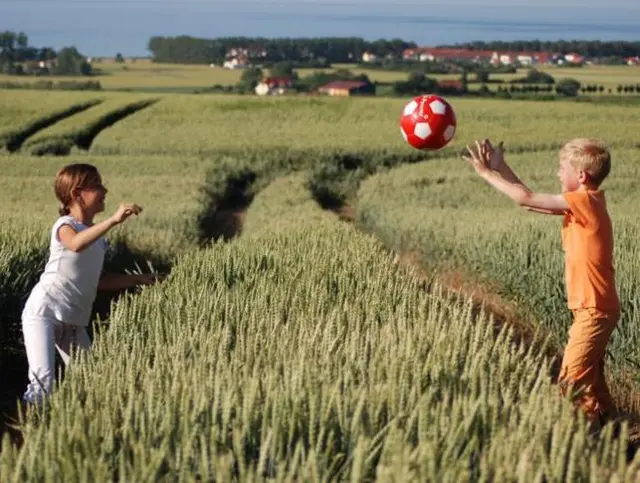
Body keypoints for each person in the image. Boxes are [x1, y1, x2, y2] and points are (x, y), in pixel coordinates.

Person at [463, 138, 620, 429]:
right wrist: (501, 167)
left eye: (563, 168)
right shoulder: (586, 204)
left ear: (581, 176)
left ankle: (588, 447)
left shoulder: (584, 202)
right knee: (593, 383)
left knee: (571, 383)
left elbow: (525, 198)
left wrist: (486, 173)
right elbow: (530, 202)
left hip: (594, 311)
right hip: (594, 309)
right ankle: (619, 440)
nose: (558, 174)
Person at [21, 163, 162, 405]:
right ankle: (30, 434)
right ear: (77, 194)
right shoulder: (65, 226)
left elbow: (100, 281)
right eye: (96, 186)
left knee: (95, 383)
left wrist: (139, 279)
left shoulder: (97, 239)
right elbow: (75, 244)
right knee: (43, 385)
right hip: (44, 313)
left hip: (74, 321)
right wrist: (113, 221)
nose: (104, 190)